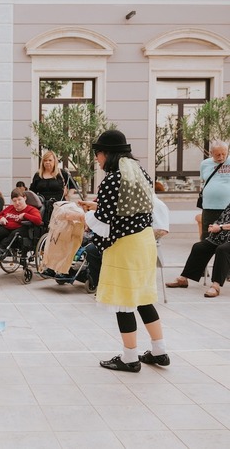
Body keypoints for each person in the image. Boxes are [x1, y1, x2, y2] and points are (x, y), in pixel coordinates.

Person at [79, 129, 170, 372]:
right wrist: (97, 207)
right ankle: (159, 351)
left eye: (97, 154)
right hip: (144, 242)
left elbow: (104, 224)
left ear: (107, 154)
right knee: (143, 298)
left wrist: (86, 214)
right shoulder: (140, 174)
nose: (97, 160)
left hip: (124, 246)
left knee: (124, 302)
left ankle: (130, 358)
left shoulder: (111, 179)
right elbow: (129, 208)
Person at [165, 202, 230, 298]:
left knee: (222, 250)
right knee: (199, 247)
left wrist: (220, 227)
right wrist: (214, 225)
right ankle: (183, 279)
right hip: (220, 237)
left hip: (226, 239)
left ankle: (215, 286)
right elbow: (222, 218)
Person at [0, 188, 42, 256]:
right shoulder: (10, 208)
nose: (17, 203)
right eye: (14, 201)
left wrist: (25, 215)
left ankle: (2, 249)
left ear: (25, 198)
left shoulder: (31, 209)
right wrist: (1, 218)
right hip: (6, 228)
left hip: (21, 230)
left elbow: (38, 221)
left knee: (15, 233)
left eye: (19, 199)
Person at [199, 140, 230, 240]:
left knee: (226, 239)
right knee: (207, 237)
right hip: (209, 207)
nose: (221, 157)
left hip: (227, 208)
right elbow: (203, 181)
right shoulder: (204, 164)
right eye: (217, 155)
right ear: (211, 153)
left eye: (223, 154)